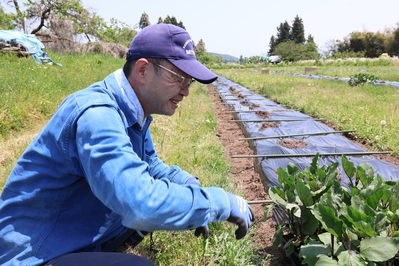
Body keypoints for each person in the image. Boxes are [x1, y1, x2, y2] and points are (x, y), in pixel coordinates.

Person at [0, 23, 254, 266]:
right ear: (143, 70)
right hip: (36, 252)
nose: (186, 91)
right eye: (179, 78)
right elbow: (140, 204)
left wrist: (188, 184)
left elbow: (150, 164)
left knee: (163, 205)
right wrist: (217, 202)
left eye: (190, 82)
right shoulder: (98, 114)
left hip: (77, 232)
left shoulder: (134, 111)